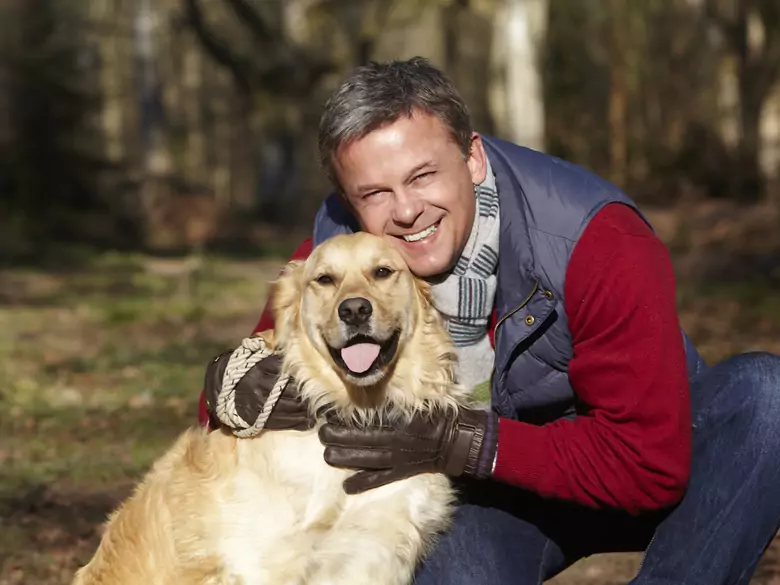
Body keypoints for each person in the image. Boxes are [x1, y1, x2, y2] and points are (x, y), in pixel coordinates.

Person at [199, 57, 780, 584]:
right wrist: (232, 386)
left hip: (629, 461)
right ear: (350, 201)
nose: (405, 211)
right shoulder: (339, 246)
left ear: (472, 157)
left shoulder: (597, 238)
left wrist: (471, 443)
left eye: (423, 175)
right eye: (375, 192)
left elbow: (648, 465)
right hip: (492, 495)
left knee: (766, 396)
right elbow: (242, 399)